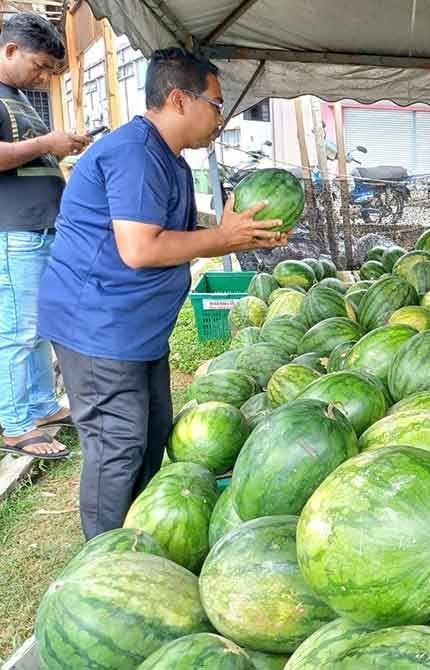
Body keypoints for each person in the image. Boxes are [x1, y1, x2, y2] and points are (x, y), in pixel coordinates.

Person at [38, 48, 287, 540]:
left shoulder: (168, 158)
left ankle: (140, 539)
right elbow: (139, 248)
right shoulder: (134, 153)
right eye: (216, 104)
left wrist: (241, 230)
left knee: (149, 439)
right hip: (98, 330)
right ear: (179, 99)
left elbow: (174, 228)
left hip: (135, 332)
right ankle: (105, 562)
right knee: (118, 446)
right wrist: (223, 239)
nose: (221, 117)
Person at [0, 13, 91, 460]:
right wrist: (46, 144)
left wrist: (64, 144)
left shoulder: (17, 96)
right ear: (10, 50)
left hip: (39, 228)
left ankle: (39, 407)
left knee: (37, 329)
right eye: (39, 67)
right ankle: (16, 425)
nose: (43, 77)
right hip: (13, 232)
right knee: (17, 331)